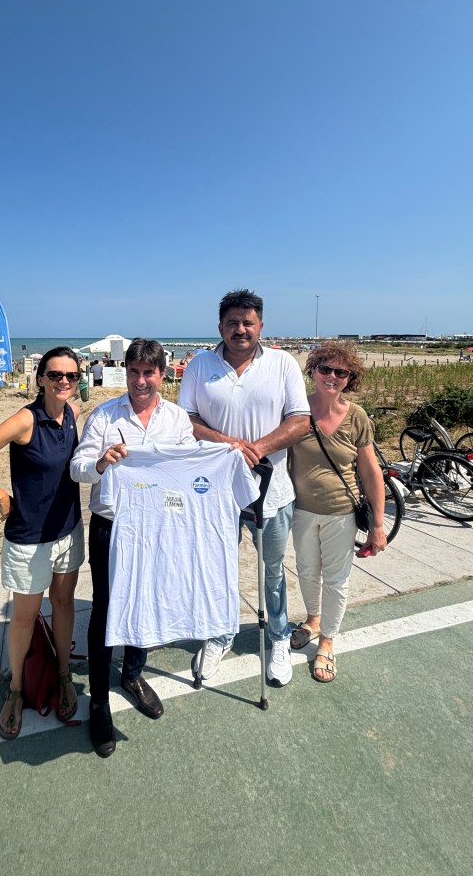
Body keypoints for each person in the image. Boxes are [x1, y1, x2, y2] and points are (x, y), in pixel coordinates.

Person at [178, 288, 310, 687]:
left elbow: (300, 420)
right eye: (232, 322)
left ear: (260, 326)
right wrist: (229, 445)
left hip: (272, 489)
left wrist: (258, 449)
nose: (240, 329)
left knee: (273, 569)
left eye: (247, 323)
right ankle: (220, 634)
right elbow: (186, 420)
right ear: (219, 326)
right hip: (214, 492)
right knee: (218, 566)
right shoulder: (199, 365)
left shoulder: (283, 364)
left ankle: (279, 636)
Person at [70, 337, 194, 758]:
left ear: (163, 373)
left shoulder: (177, 419)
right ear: (125, 372)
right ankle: (99, 701)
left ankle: (133, 674)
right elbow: (77, 469)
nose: (141, 381)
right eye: (134, 372)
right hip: (112, 526)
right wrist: (101, 462)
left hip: (157, 527)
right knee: (106, 609)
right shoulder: (104, 416)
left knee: (146, 601)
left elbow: (188, 467)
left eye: (149, 373)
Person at [0, 347, 84, 738]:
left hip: (68, 530)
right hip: (29, 540)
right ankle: (15, 689)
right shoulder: (26, 420)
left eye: (71, 376)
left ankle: (63, 673)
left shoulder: (73, 413)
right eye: (55, 375)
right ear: (41, 378)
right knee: (25, 616)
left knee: (64, 604)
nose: (64, 381)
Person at [288, 341, 386, 683]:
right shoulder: (296, 410)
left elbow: (371, 471)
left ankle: (327, 640)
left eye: (340, 372)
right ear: (313, 370)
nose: (332, 376)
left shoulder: (357, 416)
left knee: (336, 579)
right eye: (325, 369)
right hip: (300, 510)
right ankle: (313, 619)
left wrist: (378, 525)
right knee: (306, 570)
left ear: (350, 379)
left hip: (341, 513)